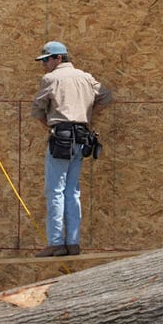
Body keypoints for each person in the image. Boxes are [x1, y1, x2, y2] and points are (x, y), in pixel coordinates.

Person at [31, 41, 113, 257]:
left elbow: (38, 110)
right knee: (72, 190)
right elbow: (106, 96)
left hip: (61, 137)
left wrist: (50, 126)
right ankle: (73, 242)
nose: (44, 65)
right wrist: (87, 114)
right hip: (81, 138)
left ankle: (56, 242)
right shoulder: (85, 77)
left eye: (46, 60)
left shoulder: (51, 79)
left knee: (55, 191)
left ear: (59, 58)